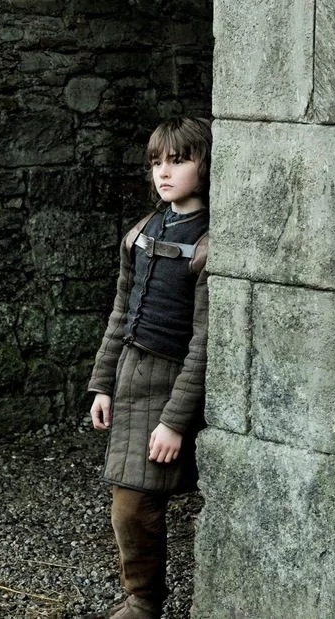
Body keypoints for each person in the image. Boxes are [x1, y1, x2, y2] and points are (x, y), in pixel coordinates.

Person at [85, 117, 212, 619]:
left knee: (135, 505)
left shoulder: (210, 243)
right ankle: (140, 600)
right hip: (129, 376)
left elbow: (204, 342)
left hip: (171, 382)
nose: (164, 172)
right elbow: (121, 312)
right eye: (157, 162)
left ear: (205, 165)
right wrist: (102, 384)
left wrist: (175, 421)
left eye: (178, 161)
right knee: (129, 502)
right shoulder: (140, 232)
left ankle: (143, 603)